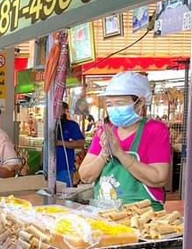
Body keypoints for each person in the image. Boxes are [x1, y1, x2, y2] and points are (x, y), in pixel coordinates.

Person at [79, 72, 171, 210]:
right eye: (109, 104)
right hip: (104, 212)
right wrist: (104, 154)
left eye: (120, 103)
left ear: (139, 103)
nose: (113, 109)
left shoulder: (155, 130)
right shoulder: (104, 132)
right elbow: (85, 176)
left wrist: (119, 153)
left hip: (143, 214)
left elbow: (159, 178)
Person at [56, 102, 85, 187]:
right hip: (49, 167)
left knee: (64, 191)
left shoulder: (71, 125)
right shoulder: (49, 125)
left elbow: (81, 143)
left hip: (65, 166)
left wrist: (60, 143)